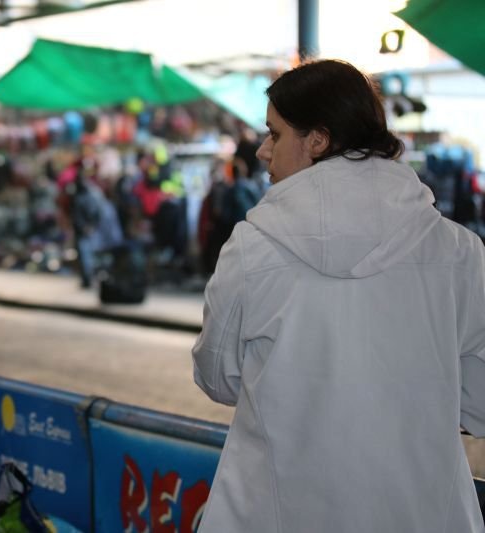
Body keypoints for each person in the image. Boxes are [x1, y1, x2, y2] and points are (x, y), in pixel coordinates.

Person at [192, 59, 485, 532]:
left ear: (318, 139)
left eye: (275, 133)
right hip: (423, 512)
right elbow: (480, 401)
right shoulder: (458, 250)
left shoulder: (252, 247)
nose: (264, 151)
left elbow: (216, 378)